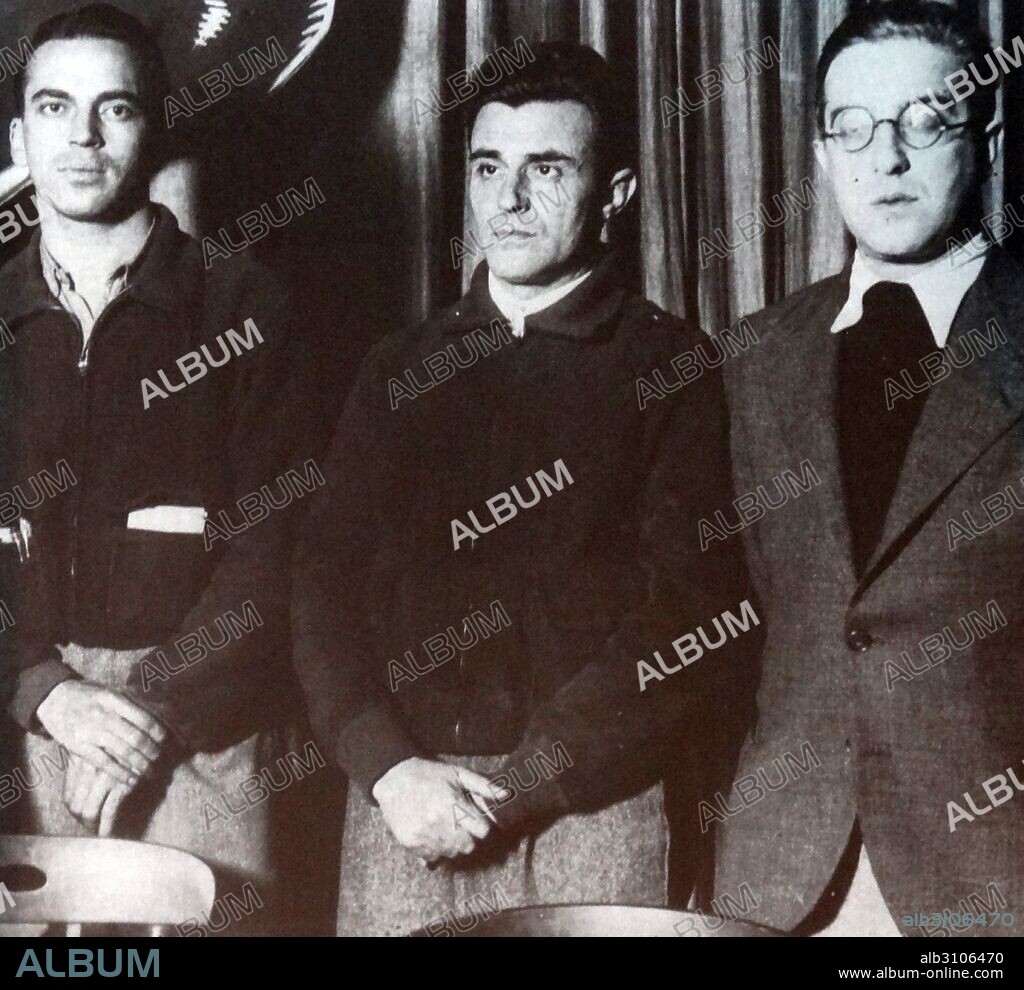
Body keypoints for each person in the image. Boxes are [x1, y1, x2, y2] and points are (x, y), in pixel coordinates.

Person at [293, 41, 753, 936]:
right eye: (488, 168)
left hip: (591, 815)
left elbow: (690, 616)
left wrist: (524, 785)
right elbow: (320, 587)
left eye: (546, 169)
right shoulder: (398, 368)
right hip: (404, 810)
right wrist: (385, 765)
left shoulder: (672, 366)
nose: (507, 200)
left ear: (614, 194)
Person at [712, 0, 1021, 937]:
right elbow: (720, 635)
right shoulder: (755, 356)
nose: (884, 158)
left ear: (988, 133)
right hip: (779, 882)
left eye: (924, 123)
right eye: (852, 127)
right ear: (820, 150)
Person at [0, 3, 308, 933]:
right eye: (55, 107)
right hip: (17, 726)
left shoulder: (247, 305)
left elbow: (280, 548)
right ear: (18, 135)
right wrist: (44, 691)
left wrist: (152, 710)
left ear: (158, 124)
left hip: (201, 734)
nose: (82, 136)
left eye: (115, 108)